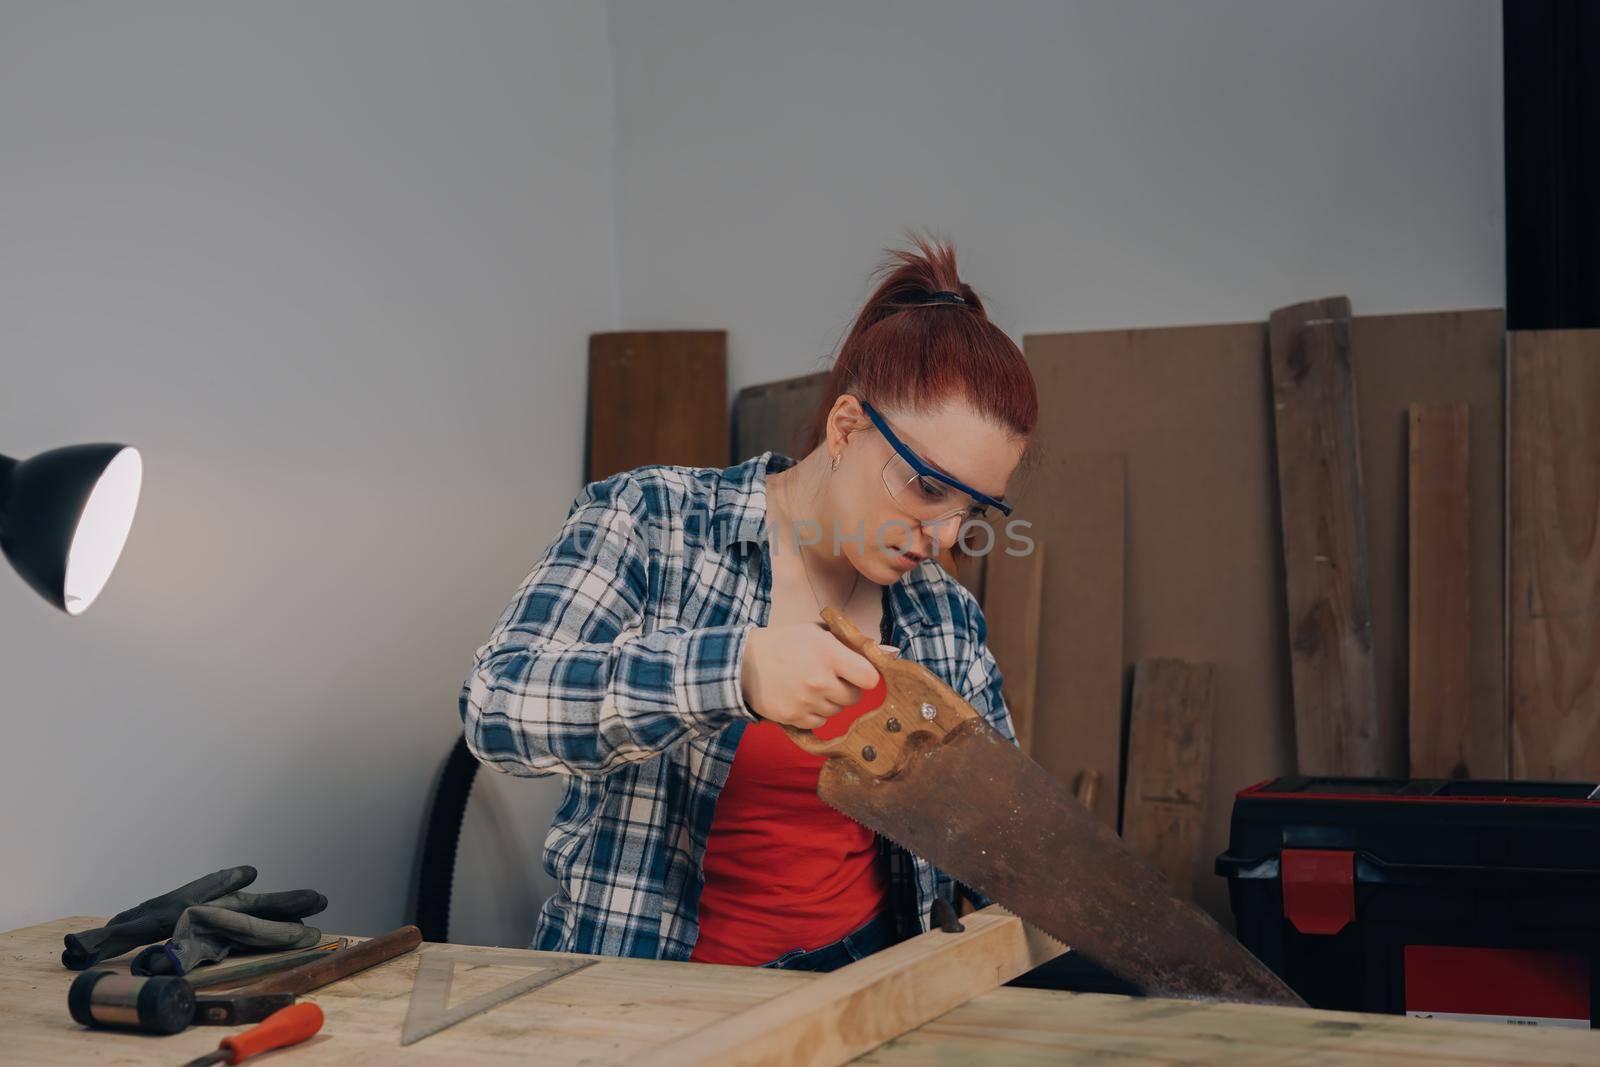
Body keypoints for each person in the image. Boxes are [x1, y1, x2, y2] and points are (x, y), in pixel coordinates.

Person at [459, 235, 1038, 971]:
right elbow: (496, 702)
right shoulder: (654, 521)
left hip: (863, 993)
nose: (945, 535)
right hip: (651, 994)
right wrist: (736, 672)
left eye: (972, 510)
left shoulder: (943, 617)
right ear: (846, 427)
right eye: (927, 488)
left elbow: (1010, 846)